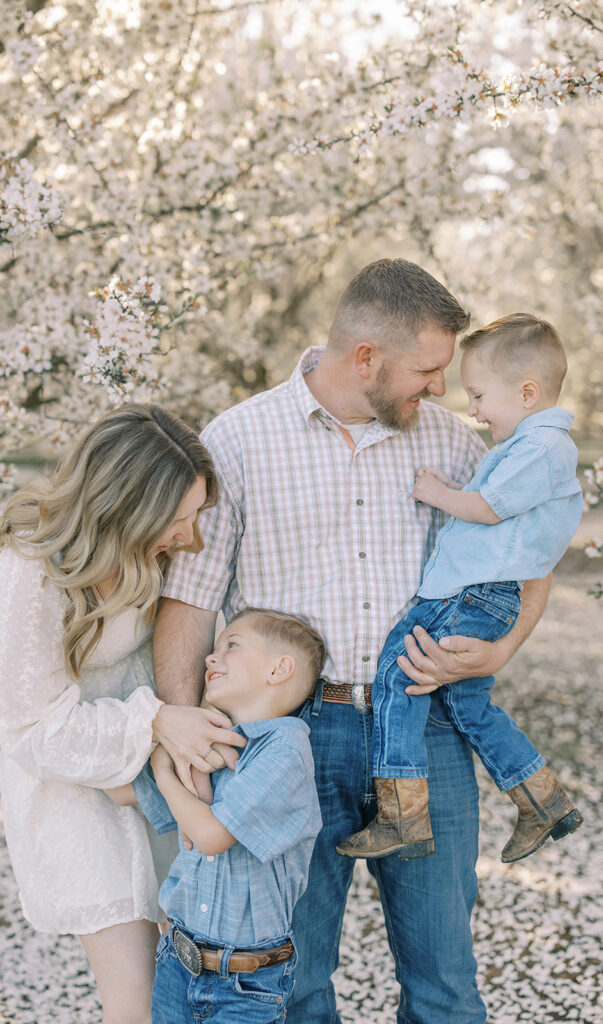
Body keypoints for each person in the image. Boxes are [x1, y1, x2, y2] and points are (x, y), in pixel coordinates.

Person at [152, 259, 553, 1024]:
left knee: (443, 980)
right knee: (294, 978)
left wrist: (502, 649)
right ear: (365, 357)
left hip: (428, 727)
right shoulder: (238, 440)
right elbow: (189, 600)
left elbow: (527, 552)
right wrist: (189, 728)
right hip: (287, 740)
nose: (439, 388)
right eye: (427, 369)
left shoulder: (453, 445)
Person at [0, 404, 246, 1024]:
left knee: (188, 994)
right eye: (176, 520)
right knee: (137, 1004)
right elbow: (28, 725)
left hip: (154, 781)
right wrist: (155, 721)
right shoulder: (32, 569)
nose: (191, 538)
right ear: (124, 507)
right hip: (74, 790)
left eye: (194, 516)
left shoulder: (153, 555)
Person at [337, 313, 583, 865]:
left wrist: (437, 493)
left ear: (526, 391)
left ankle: (403, 813)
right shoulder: (534, 448)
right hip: (483, 594)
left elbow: (489, 509)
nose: (471, 409)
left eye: (478, 395)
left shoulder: (541, 448)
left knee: (397, 677)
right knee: (468, 702)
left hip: (467, 593)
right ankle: (541, 797)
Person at [107, 607, 325, 1024]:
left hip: (244, 985)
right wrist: (156, 743)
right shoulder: (212, 739)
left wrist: (161, 768)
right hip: (176, 960)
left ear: (279, 669)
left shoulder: (285, 750)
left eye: (232, 645)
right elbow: (120, 792)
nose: (211, 656)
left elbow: (210, 836)